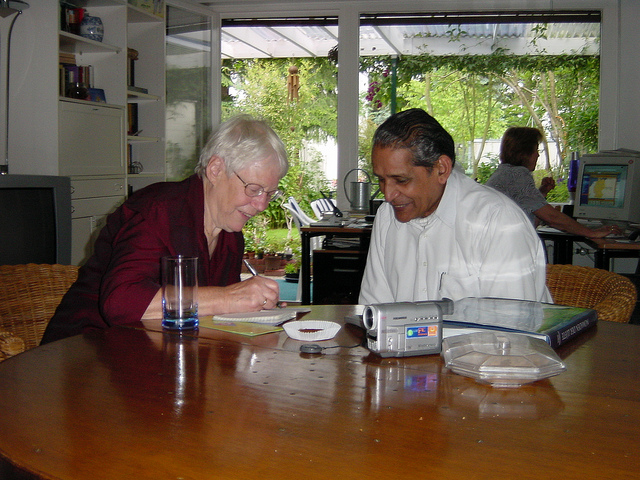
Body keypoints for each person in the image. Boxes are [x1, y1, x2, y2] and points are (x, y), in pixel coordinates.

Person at [41, 115, 288, 344]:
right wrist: (229, 298)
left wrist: (254, 310)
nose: (261, 205)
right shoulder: (159, 210)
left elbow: (214, 316)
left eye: (269, 194)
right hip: (86, 356)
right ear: (215, 170)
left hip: (154, 358)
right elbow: (120, 303)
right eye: (254, 189)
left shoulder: (230, 235)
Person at [358, 108, 551, 305]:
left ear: (441, 169)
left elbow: (511, 330)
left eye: (401, 180)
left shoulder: (498, 222)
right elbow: (375, 312)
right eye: (381, 180)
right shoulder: (386, 217)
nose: (388, 195)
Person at [486, 126, 621, 238]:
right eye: (536, 150)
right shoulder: (517, 175)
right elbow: (552, 217)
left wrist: (542, 193)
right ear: (524, 153)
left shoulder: (505, 173)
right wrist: (592, 233)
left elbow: (531, 218)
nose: (538, 155)